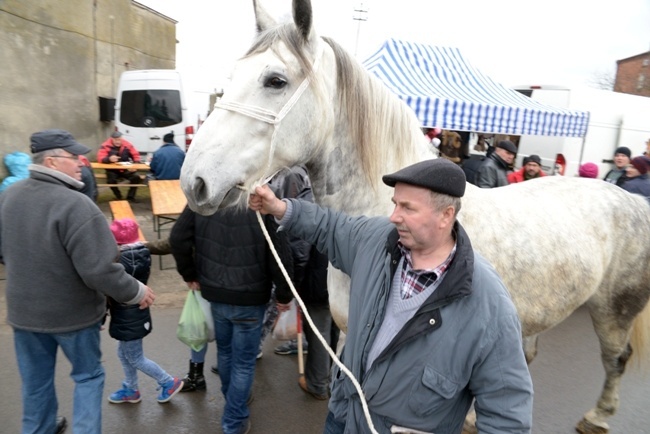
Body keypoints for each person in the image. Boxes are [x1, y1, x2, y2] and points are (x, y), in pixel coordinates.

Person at [249, 158, 533, 434]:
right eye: (395, 204)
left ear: (446, 215)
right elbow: (330, 227)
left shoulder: (489, 303)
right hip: (343, 418)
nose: (394, 216)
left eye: (407, 208)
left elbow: (506, 413)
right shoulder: (377, 239)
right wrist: (280, 207)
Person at [0, 129, 155, 434]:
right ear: (52, 162)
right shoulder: (77, 205)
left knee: (35, 383)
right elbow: (100, 270)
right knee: (87, 377)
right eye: (74, 157)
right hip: (73, 316)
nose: (81, 163)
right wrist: (137, 291)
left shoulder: (9, 197)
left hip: (24, 315)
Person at [169, 205, 293, 434]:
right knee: (243, 363)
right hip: (251, 297)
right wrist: (285, 294)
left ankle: (233, 405)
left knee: (225, 353)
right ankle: (234, 419)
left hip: (215, 291)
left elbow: (177, 237)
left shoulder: (206, 194)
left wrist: (190, 274)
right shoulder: (260, 197)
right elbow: (281, 254)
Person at [269, 166, 340, 401]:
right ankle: (330, 378)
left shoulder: (304, 205)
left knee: (319, 333)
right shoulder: (332, 197)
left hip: (316, 280)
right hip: (336, 278)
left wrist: (292, 287)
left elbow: (299, 253)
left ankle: (318, 384)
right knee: (332, 328)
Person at [106, 218, 184, 404]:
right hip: (136, 313)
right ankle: (131, 388)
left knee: (135, 357)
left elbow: (112, 288)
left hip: (127, 315)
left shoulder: (119, 261)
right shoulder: (142, 253)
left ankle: (168, 382)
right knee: (124, 353)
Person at [97, 131, 143, 202]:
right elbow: (100, 158)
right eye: (115, 139)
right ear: (111, 139)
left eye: (119, 139)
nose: (117, 141)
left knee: (136, 177)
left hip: (125, 169)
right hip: (112, 170)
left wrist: (135, 165)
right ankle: (118, 196)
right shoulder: (105, 145)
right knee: (111, 180)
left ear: (122, 138)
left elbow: (136, 155)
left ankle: (130, 197)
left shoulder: (127, 144)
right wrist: (109, 159)